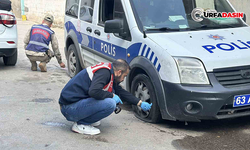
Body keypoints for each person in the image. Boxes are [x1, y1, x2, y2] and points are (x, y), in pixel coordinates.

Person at [59, 59, 152, 135]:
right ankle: (81, 124)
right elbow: (93, 91)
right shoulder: (104, 73)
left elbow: (120, 91)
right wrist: (111, 95)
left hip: (72, 105)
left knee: (110, 98)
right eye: (124, 76)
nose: (123, 79)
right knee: (110, 103)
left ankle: (86, 119)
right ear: (119, 72)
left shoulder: (109, 71)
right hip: (69, 108)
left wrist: (139, 102)